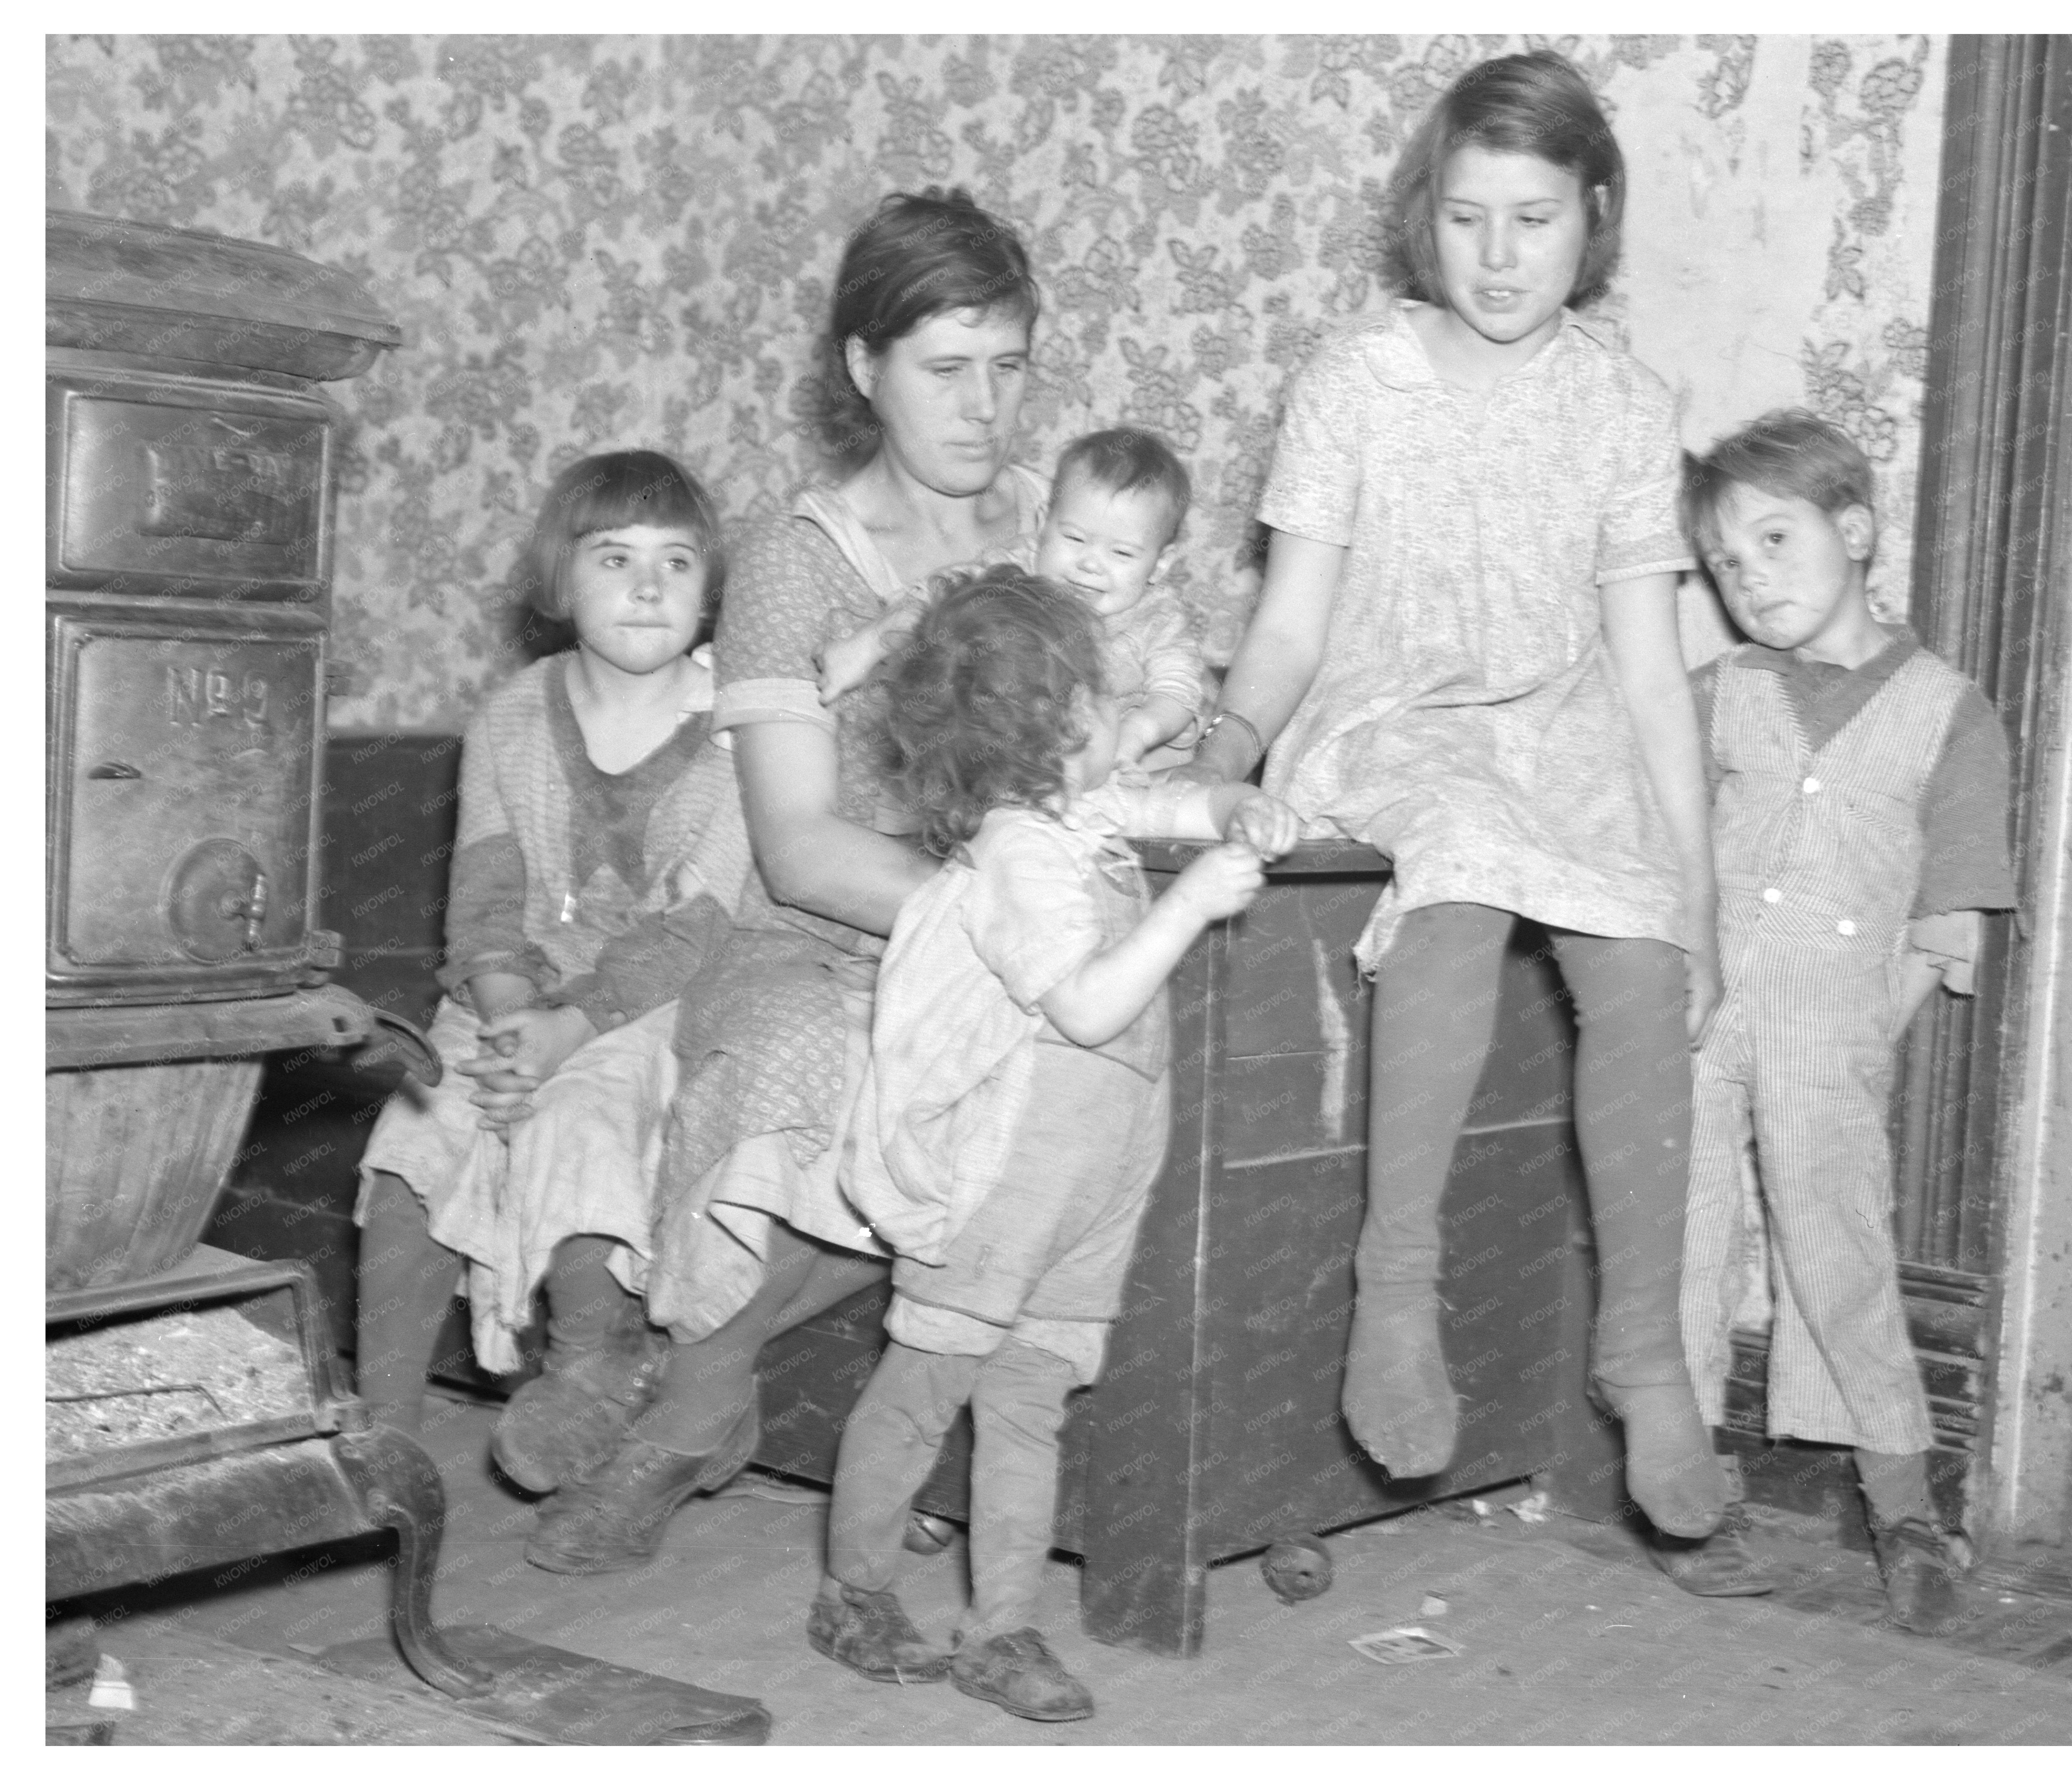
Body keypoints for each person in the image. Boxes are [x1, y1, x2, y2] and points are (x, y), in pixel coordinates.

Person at [1177, 52, 1729, 1537]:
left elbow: (1647, 669)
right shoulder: (1355, 382)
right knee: (1467, 860)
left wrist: (1698, 882)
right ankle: (1394, 1285)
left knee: (1639, 950)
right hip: (1394, 721)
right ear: (1427, 216)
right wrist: (1225, 745)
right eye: (1469, 217)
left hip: (1557, 732)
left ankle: (1643, 1352)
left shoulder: (1621, 405)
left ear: (1591, 218)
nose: (1498, 256)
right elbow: (1289, 624)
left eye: (1534, 220)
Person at [524, 188, 1054, 1575]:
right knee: (809, 1064)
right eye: (948, 369)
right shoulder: (788, 563)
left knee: (1005, 1094)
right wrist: (979, 918)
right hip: (816, 936)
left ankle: (686, 1398)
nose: (985, 405)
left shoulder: (1062, 538)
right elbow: (802, 845)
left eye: (1010, 365)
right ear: (864, 368)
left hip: (1004, 942)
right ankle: (698, 1402)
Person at [809, 568, 1300, 1721]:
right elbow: (1084, 1005)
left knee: (1030, 1398)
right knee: (927, 1384)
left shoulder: (1076, 808)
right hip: (1004, 1180)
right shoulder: (1018, 851)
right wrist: (1189, 907)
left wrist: (1234, 810)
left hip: (1094, 1176)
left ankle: (1004, 1623)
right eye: (1091, 699)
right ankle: (855, 1588)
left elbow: (1168, 805)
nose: (1115, 711)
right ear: (1041, 733)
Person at [1665, 410, 2017, 1633]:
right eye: (1725, 560)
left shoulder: (1945, 710)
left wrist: (1867, 1028)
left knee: (1842, 1260)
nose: (1750, 573)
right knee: (1686, 1246)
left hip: (1837, 1033)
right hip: (1697, 1022)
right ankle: (1689, 1491)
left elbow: (1952, 909)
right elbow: (1648, 824)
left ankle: (1903, 1502)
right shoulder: (1717, 693)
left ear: (1856, 528)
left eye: (1775, 535)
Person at [354, 450, 748, 1494]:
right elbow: (483, 897)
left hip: (649, 1007)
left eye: (677, 561)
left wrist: (567, 1035)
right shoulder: (512, 718)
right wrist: (505, 1016)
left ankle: (590, 1374)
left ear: (711, 588)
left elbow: (695, 930)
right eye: (615, 558)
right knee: (420, 1128)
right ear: (559, 581)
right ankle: (379, 1438)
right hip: (509, 998)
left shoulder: (733, 736)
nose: (649, 585)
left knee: (578, 1127)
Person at [818, 425, 1209, 768]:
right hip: (1031, 771)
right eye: (1073, 538)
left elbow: (1179, 691)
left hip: (1140, 771)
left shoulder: (1159, 616)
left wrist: (1138, 734)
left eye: (1121, 553)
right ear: (1043, 526)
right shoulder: (1016, 570)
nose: (1090, 564)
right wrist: (868, 644)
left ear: (1159, 564)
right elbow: (940, 598)